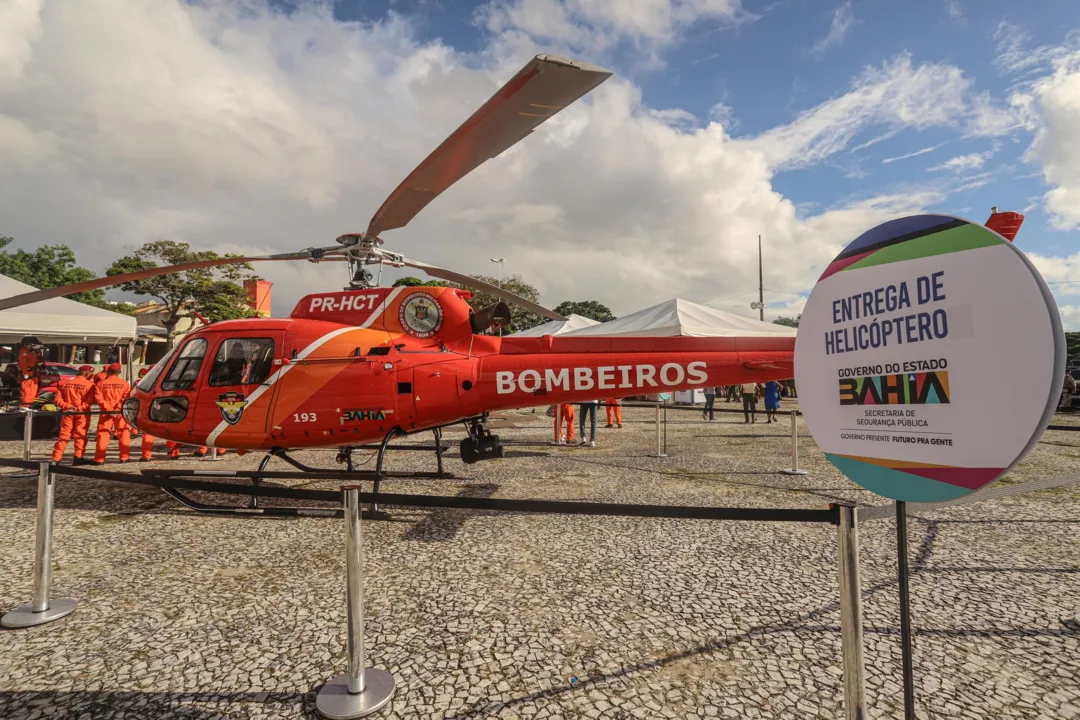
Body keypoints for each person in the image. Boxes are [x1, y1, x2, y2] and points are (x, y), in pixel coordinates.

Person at [51, 365, 97, 465]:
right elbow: (89, 401)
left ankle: (56, 458)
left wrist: (68, 407)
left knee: (64, 436)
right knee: (80, 435)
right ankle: (78, 457)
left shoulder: (65, 383)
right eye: (90, 373)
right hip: (82, 414)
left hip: (68, 413)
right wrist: (78, 408)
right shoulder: (90, 385)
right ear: (86, 373)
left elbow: (57, 399)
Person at [93, 363, 132, 464]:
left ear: (108, 371)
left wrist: (109, 409)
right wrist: (117, 408)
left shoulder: (100, 384)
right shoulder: (125, 384)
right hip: (121, 412)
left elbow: (98, 399)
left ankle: (99, 459)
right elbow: (126, 398)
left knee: (103, 434)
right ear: (119, 372)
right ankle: (124, 458)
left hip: (106, 412)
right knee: (124, 433)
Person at [16, 336, 43, 409]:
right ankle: (25, 405)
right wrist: (25, 373)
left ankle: (28, 405)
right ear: (28, 344)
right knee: (27, 391)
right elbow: (22, 364)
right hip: (28, 374)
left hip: (34, 374)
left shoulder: (33, 351)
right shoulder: (24, 352)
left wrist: (42, 366)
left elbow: (37, 360)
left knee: (33, 391)